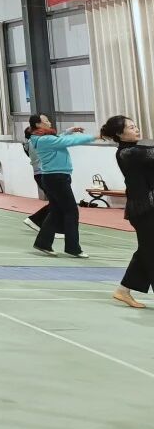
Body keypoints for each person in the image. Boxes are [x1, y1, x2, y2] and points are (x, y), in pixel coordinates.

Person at [101, 115, 154, 309]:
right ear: (119, 134)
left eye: (135, 125)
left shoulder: (135, 151)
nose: (136, 129)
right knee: (151, 251)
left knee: (147, 249)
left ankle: (123, 290)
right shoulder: (128, 153)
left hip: (148, 207)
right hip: (143, 209)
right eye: (131, 127)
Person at [26, 112, 96, 258]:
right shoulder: (45, 139)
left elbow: (59, 139)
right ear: (38, 124)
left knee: (56, 211)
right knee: (71, 211)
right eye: (46, 120)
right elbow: (67, 141)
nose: (49, 122)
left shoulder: (42, 138)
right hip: (56, 178)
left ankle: (43, 243)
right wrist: (95, 136)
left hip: (54, 177)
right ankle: (73, 247)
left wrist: (68, 131)